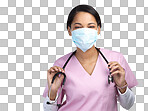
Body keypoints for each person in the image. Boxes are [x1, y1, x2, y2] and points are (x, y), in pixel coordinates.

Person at [43, 4, 138, 111]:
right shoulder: (61, 65)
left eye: (91, 26)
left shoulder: (116, 60)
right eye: (78, 27)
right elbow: (49, 109)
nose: (85, 31)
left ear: (98, 29)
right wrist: (53, 92)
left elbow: (128, 105)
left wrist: (122, 86)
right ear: (69, 30)